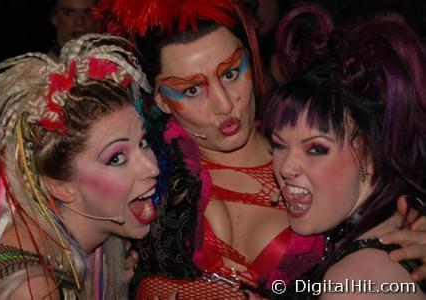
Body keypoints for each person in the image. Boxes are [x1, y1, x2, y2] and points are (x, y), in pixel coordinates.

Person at [95, 1, 426, 298]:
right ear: (161, 99)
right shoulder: (135, 170)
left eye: (230, 73)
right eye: (192, 89)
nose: (224, 105)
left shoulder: (323, 169)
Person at [0, 33, 158, 299]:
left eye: (142, 143)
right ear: (61, 186)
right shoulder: (33, 289)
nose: (151, 167)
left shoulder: (96, 245)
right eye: (117, 158)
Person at [264, 15, 426, 298]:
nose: (286, 167)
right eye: (279, 145)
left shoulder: (354, 282)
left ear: (373, 154)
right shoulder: (389, 240)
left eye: (316, 148)